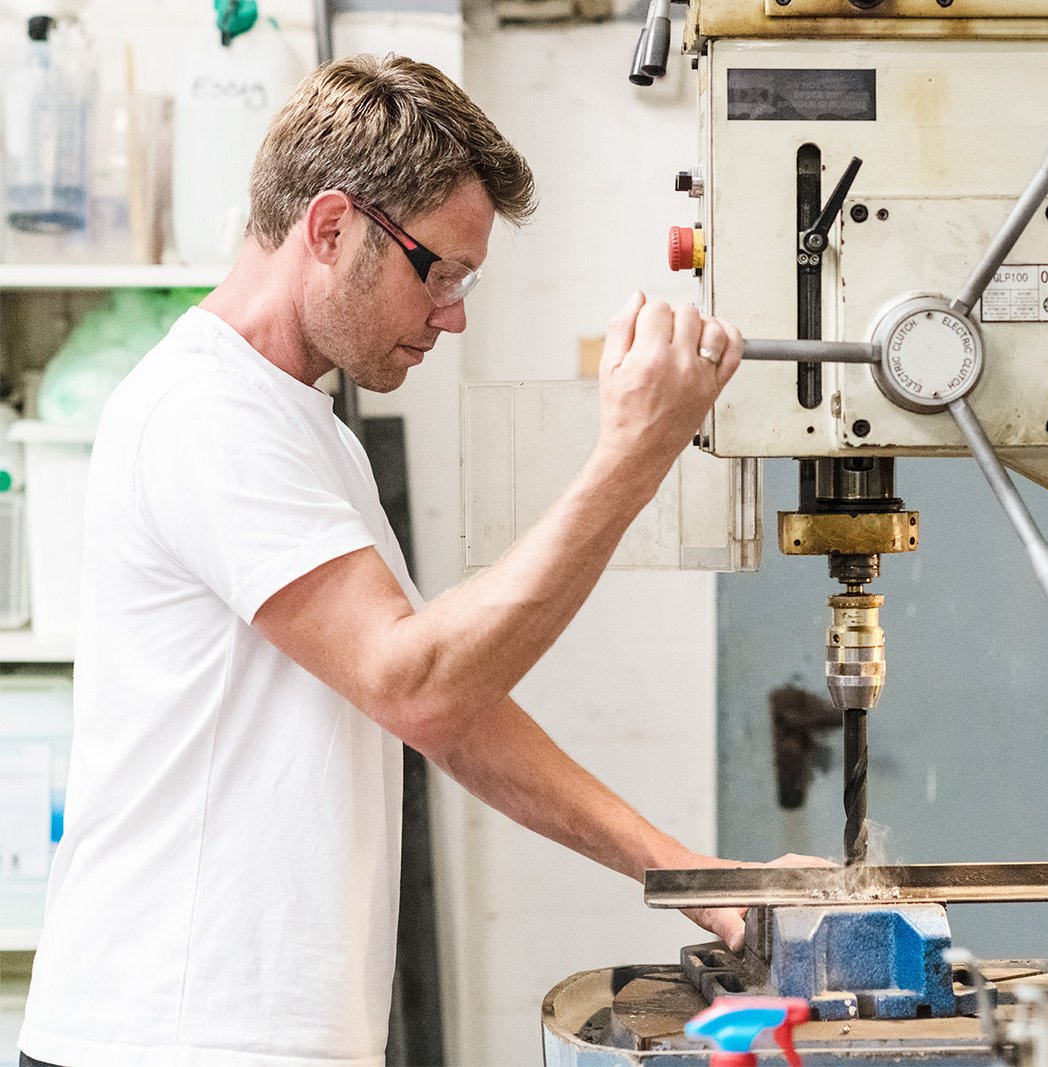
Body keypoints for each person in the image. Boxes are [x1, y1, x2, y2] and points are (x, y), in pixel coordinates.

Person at [19, 53, 816, 1067]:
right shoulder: (205, 415)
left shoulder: (307, 431)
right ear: (330, 226)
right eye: (437, 269)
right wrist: (633, 452)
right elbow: (423, 686)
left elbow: (453, 711)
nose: (454, 313)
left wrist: (695, 874)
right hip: (168, 1036)